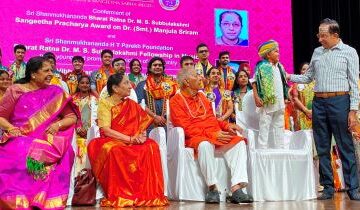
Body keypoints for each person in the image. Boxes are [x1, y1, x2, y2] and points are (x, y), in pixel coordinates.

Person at [287, 18, 360, 200]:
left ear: (335, 35)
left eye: (324, 35)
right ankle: (327, 187)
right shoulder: (317, 52)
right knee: (321, 147)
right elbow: (308, 77)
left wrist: (353, 111)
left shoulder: (349, 52)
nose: (320, 39)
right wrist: (286, 75)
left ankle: (353, 188)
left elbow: (354, 84)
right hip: (318, 103)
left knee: (345, 146)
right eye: (319, 35)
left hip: (340, 101)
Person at [0, 56, 79, 209]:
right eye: (46, 71)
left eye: (52, 70)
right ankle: (20, 199)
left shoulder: (56, 91)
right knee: (22, 150)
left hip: (49, 139)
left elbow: (72, 117)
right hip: (21, 136)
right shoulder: (15, 90)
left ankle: (44, 201)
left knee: (67, 151)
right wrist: (10, 128)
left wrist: (58, 125)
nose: (51, 74)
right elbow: (1, 117)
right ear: (33, 74)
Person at [170, 67, 253, 204]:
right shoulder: (176, 101)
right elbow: (186, 128)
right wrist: (212, 135)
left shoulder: (202, 96)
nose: (200, 78)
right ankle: (212, 188)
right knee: (205, 145)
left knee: (238, 143)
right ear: (186, 81)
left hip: (215, 133)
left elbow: (212, 119)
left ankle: (237, 188)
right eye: (196, 76)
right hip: (195, 137)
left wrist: (227, 126)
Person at [87, 73, 168, 207]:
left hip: (133, 139)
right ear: (115, 88)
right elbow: (106, 130)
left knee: (151, 146)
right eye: (125, 83)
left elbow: (141, 123)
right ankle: (122, 194)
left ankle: (146, 192)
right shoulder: (105, 103)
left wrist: (141, 136)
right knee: (115, 150)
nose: (130, 86)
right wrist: (130, 139)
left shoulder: (131, 103)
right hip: (112, 139)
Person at [253, 40, 289, 149]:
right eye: (276, 52)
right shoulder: (262, 66)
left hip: (279, 102)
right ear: (268, 54)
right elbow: (254, 81)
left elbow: (284, 83)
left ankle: (280, 149)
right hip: (267, 102)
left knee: (279, 126)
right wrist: (256, 96)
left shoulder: (280, 66)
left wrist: (286, 96)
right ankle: (262, 151)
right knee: (264, 126)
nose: (279, 54)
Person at [135, 57, 177, 130]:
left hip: (166, 122)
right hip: (148, 123)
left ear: (163, 68)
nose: (157, 67)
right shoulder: (142, 85)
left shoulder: (170, 84)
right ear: (150, 68)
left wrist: (164, 117)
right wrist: (154, 117)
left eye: (160, 65)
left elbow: (174, 101)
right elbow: (139, 104)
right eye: (155, 65)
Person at [72, 75, 98, 174]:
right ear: (78, 85)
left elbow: (97, 118)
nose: (85, 85)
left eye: (87, 83)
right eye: (82, 83)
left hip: (89, 135)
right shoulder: (72, 99)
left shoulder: (95, 100)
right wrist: (77, 128)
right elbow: (69, 116)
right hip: (74, 135)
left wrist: (89, 131)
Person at [290, 62, 314, 130]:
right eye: (303, 69)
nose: (306, 71)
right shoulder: (296, 83)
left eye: (308, 69)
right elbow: (295, 98)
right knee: (303, 137)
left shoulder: (316, 82)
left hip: (315, 114)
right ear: (301, 71)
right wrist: (306, 110)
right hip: (302, 114)